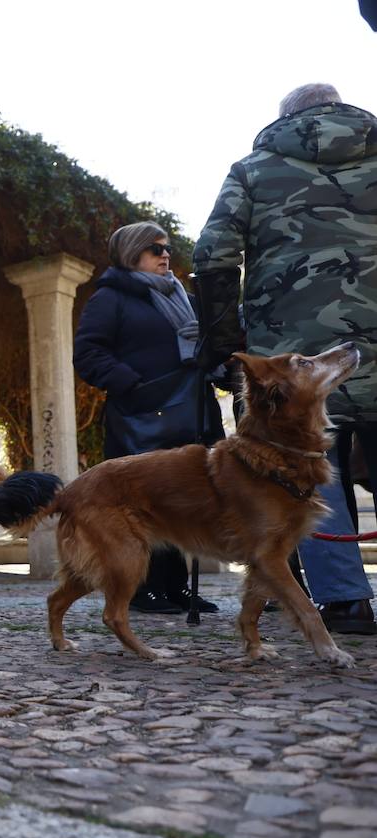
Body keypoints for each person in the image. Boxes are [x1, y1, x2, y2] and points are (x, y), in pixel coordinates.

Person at [194, 83, 377, 636]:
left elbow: (213, 254)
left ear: (286, 119)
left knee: (305, 471)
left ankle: (345, 603)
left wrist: (226, 345)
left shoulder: (254, 169)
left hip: (291, 358)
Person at [73, 221, 225, 615]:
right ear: (132, 253)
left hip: (192, 413)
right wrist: (136, 385)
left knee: (184, 502)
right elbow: (88, 354)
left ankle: (176, 588)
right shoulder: (111, 298)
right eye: (155, 249)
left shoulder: (184, 298)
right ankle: (143, 588)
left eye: (167, 248)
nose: (165, 254)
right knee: (144, 504)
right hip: (143, 417)